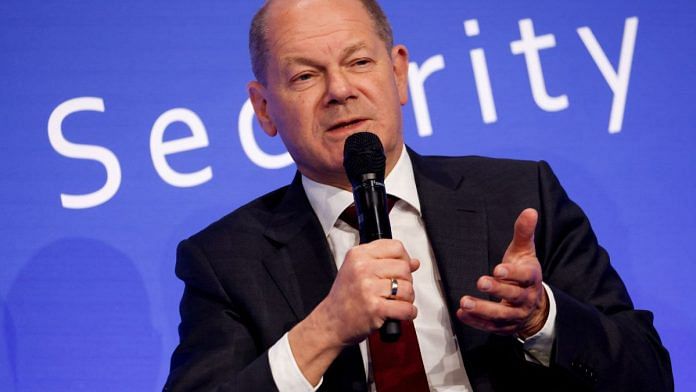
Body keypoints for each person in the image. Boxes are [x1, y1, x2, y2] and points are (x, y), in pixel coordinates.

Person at [164, 0, 673, 390]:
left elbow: (650, 373)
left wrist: (542, 318)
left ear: (399, 72)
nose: (339, 90)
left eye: (358, 62)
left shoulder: (519, 195)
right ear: (264, 109)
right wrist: (322, 331)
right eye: (305, 76)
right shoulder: (224, 260)